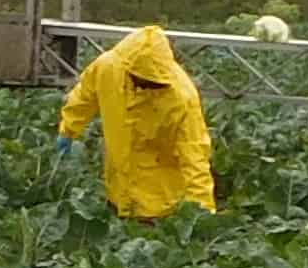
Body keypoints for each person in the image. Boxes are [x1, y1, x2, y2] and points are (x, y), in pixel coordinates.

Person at [57, 23, 217, 217]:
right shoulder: (107, 67)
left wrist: (202, 209)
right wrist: (68, 130)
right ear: (127, 69)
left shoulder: (182, 98)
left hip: (160, 196)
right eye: (140, 79)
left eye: (151, 82)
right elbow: (83, 99)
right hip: (117, 183)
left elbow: (194, 155)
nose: (145, 85)